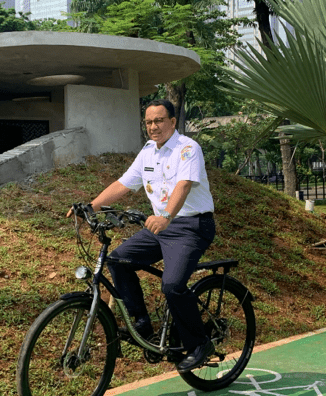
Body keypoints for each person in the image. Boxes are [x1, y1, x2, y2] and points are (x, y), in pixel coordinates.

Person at [67, 99, 216, 372]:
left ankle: (198, 344)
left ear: (173, 122)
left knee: (172, 286)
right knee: (118, 260)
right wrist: (90, 207)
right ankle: (141, 321)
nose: (153, 126)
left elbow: (183, 186)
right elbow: (123, 184)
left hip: (191, 227)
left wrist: (166, 216)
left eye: (159, 120)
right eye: (148, 122)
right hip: (159, 228)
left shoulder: (187, 149)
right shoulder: (148, 152)